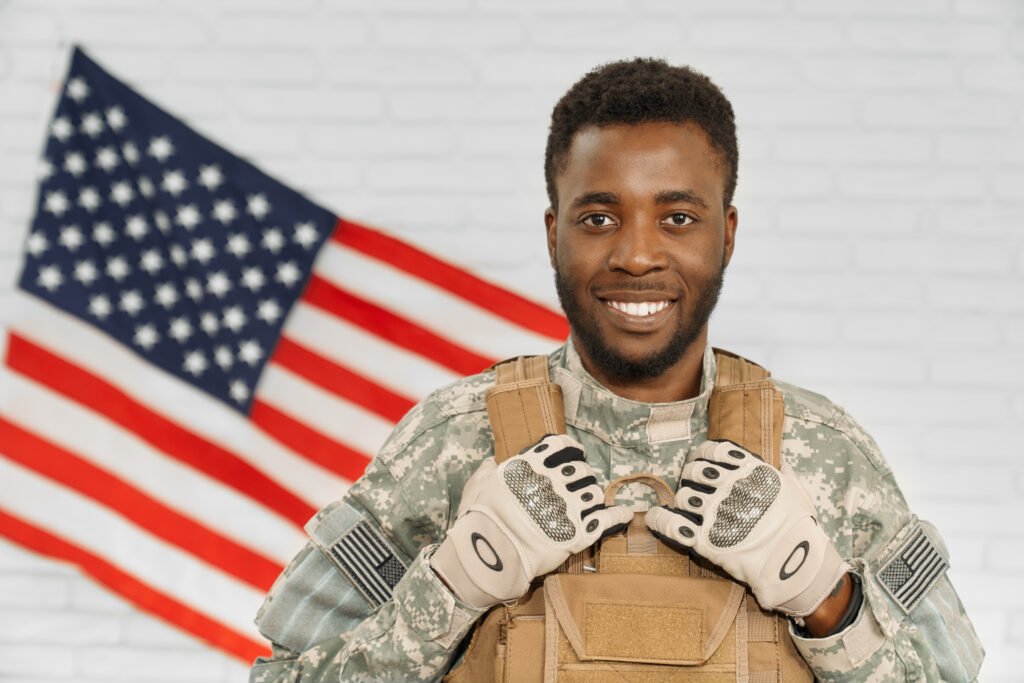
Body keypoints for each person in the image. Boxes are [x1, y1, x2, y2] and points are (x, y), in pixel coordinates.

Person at [248, 58, 984, 682]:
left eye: (677, 218)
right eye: (599, 217)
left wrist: (827, 597)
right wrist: (451, 585)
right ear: (553, 234)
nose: (636, 254)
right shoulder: (453, 439)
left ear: (726, 235)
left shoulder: (825, 451)